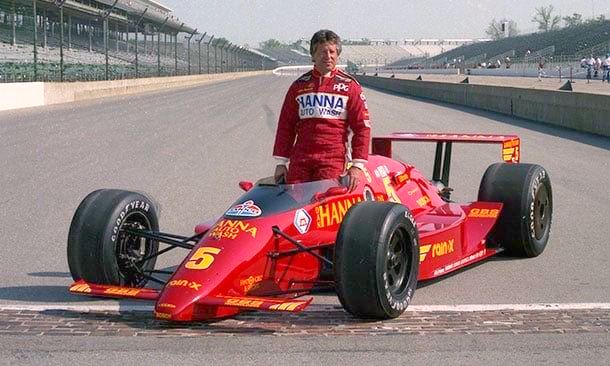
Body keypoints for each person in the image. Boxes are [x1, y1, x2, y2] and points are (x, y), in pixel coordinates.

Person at [272, 29, 371, 192]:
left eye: (332, 51)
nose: (328, 56)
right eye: (322, 52)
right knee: (294, 201)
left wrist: (357, 165)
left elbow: (362, 127)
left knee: (326, 204)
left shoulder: (350, 86)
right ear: (313, 55)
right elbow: (286, 126)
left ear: (338, 54)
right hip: (301, 159)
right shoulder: (298, 86)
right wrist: (281, 163)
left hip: (332, 158)